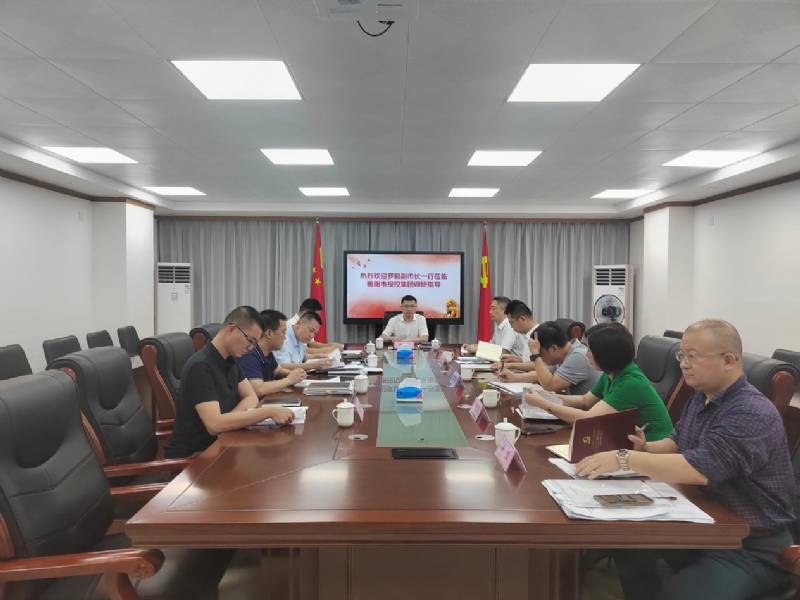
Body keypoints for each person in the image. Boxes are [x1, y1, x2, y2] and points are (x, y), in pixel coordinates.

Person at [576, 319, 795, 600]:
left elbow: (701, 468)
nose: (683, 364)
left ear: (729, 360)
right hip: (704, 522)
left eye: (692, 356)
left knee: (676, 594)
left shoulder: (750, 411)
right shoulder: (701, 398)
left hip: (750, 544)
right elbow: (677, 441)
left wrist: (625, 458)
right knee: (627, 542)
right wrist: (646, 447)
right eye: (681, 355)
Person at [164, 306, 295, 459]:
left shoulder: (230, 359)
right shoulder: (201, 366)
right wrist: (267, 412)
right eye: (250, 341)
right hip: (195, 458)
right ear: (232, 329)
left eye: (254, 344)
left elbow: (251, 397)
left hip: (221, 444)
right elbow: (214, 425)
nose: (251, 348)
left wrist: (229, 420)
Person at [524, 323, 673, 440]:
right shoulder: (612, 373)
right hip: (624, 440)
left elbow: (588, 419)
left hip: (652, 448)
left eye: (590, 350)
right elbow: (585, 401)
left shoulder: (630, 383)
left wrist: (544, 404)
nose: (586, 354)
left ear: (605, 354)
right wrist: (546, 396)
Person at [499, 321, 600, 394]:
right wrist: (514, 377)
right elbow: (543, 374)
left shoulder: (578, 356)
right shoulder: (564, 353)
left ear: (553, 348)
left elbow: (550, 386)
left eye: (541, 353)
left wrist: (535, 355)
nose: (541, 358)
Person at [237, 309, 307, 397]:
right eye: (283, 332)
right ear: (269, 333)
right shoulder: (250, 354)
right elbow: (258, 389)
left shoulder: (267, 352)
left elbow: (277, 371)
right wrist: (289, 380)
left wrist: (294, 374)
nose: (285, 338)